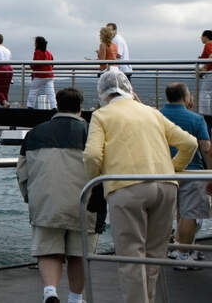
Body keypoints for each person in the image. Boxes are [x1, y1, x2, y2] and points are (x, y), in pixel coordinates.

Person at [83, 70, 196, 303]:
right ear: (129, 89)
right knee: (154, 255)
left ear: (103, 93)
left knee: (131, 256)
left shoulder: (101, 115)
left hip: (126, 187)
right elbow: (190, 143)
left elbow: (92, 156)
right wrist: (173, 168)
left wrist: (94, 182)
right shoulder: (151, 112)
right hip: (165, 185)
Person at [17, 88, 94, 303]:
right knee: (78, 254)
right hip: (84, 204)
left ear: (57, 106)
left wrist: (30, 197)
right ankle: (75, 298)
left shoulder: (34, 133)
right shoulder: (91, 132)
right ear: (80, 107)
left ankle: (50, 291)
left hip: (46, 203)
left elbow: (22, 171)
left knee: (49, 251)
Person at [159, 82, 211, 268]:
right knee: (190, 214)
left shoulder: (157, 116)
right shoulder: (196, 119)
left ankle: (177, 248)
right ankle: (183, 255)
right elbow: (206, 147)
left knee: (177, 212)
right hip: (192, 172)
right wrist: (210, 173)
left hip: (164, 172)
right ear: (186, 97)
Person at [28, 36, 56, 110]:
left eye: (35, 42)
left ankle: (30, 106)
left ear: (37, 43)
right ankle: (54, 107)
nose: (34, 44)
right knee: (51, 93)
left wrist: (31, 66)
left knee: (33, 90)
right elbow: (52, 64)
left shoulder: (37, 52)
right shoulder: (49, 53)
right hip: (49, 75)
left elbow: (36, 64)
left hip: (40, 75)